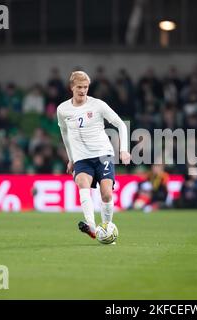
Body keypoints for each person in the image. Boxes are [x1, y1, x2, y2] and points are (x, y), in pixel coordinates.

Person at [57, 71, 130, 240]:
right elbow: (65, 134)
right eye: (79, 87)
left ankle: (106, 227)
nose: (83, 90)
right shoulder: (63, 110)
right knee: (82, 184)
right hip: (82, 158)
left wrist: (124, 149)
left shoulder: (98, 105)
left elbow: (120, 124)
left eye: (86, 87)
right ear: (72, 88)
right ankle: (91, 225)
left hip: (103, 153)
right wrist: (71, 158)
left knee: (106, 194)